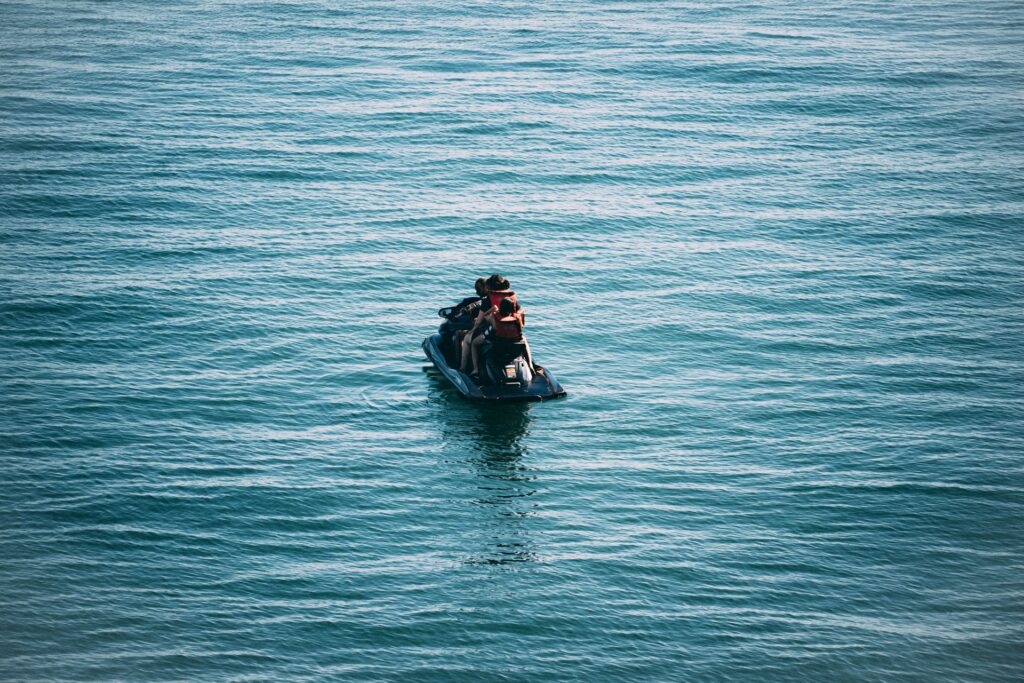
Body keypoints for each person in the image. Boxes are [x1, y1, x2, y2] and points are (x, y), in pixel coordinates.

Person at [467, 297, 534, 378]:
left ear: (501, 307)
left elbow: (484, 317)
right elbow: (521, 326)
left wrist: (492, 309)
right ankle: (530, 365)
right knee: (524, 341)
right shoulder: (517, 318)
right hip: (514, 347)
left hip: (497, 347)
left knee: (474, 343)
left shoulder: (494, 317)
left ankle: (476, 369)